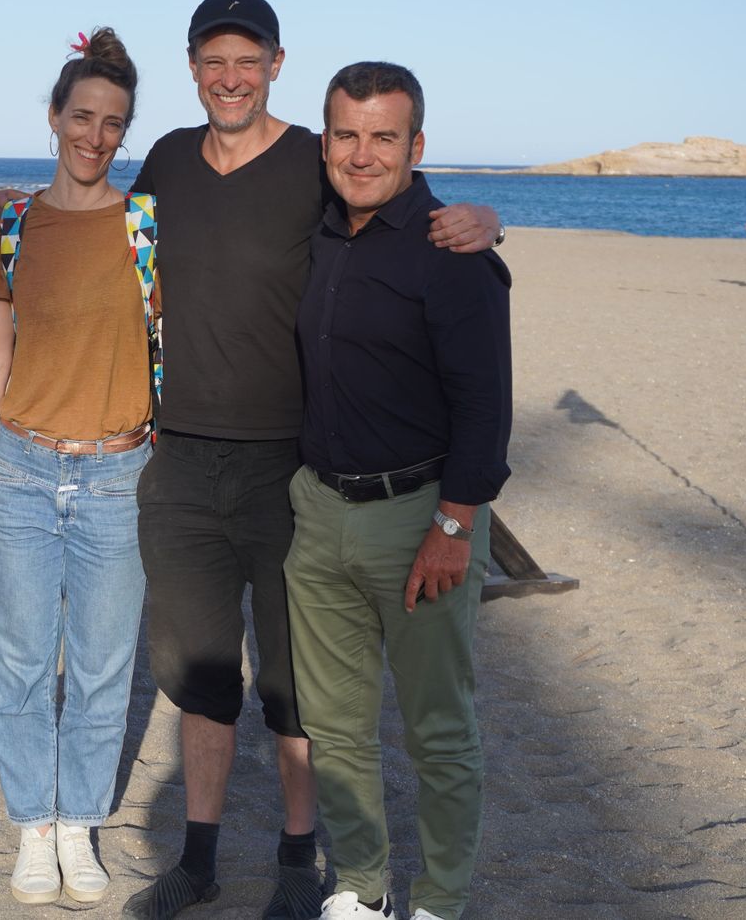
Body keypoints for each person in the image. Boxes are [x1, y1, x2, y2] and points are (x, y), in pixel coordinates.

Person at [0, 0, 499, 920]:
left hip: (288, 466)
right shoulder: (168, 158)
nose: (230, 78)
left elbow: (402, 211)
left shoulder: (313, 157)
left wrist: (485, 222)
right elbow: (84, 225)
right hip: (176, 464)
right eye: (214, 61)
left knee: (295, 685)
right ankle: (201, 854)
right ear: (191, 66)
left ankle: (299, 861)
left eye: (247, 61)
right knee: (200, 674)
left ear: (277, 65)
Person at [287, 62, 511, 920]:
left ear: (417, 146)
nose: (363, 152)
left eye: (384, 136)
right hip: (319, 515)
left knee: (439, 732)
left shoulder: (453, 247)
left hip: (422, 519)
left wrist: (454, 525)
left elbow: (487, 404)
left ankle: (442, 902)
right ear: (325, 141)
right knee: (337, 729)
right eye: (347, 134)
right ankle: (361, 887)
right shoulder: (317, 231)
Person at [0, 28, 155, 907]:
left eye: (113, 122)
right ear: (54, 117)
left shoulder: (149, 227)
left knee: (107, 669)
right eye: (82, 116)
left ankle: (81, 827)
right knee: (27, 666)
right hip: (24, 469)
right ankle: (34, 828)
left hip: (121, 476)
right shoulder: (12, 226)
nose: (96, 135)